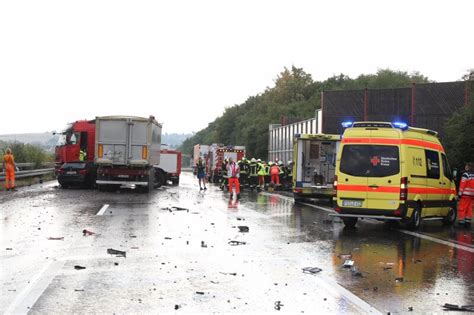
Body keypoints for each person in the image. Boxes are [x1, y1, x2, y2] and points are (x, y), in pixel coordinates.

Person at [457, 162, 474, 227]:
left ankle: (461, 222)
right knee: (469, 208)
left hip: (465, 194)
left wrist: (459, 194)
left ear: (468, 167)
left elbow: (462, 185)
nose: (465, 167)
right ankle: (468, 222)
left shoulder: (465, 174)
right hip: (472, 195)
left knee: (462, 208)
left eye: (466, 166)